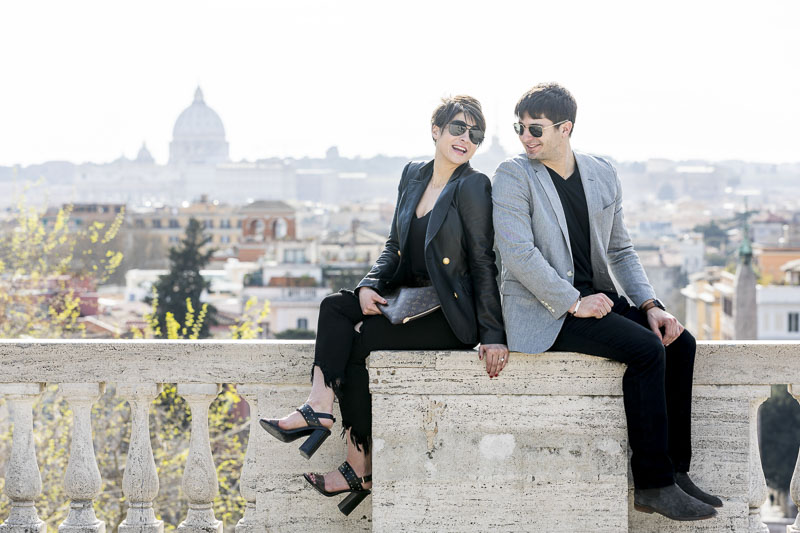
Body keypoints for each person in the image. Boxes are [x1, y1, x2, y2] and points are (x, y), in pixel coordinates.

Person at [261, 95, 508, 516]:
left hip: (447, 312)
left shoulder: (473, 186)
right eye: (457, 128)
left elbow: (485, 262)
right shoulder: (413, 174)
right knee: (335, 308)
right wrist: (368, 286)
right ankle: (319, 406)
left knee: (364, 342)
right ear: (436, 130)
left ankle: (359, 464)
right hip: (404, 296)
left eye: (475, 133)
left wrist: (493, 335)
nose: (466, 138)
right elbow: (394, 245)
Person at [491, 83, 721, 521]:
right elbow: (519, 256)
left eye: (535, 128)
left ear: (565, 128)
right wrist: (573, 302)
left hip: (598, 299)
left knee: (679, 341)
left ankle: (675, 472)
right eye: (519, 128)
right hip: (548, 309)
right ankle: (653, 485)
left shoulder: (602, 173)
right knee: (645, 350)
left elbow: (620, 251)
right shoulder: (512, 174)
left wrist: (651, 304)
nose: (525, 137)